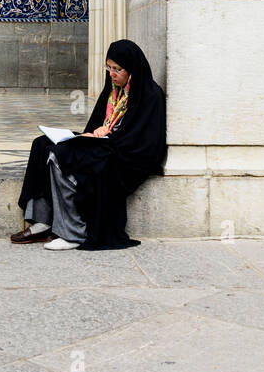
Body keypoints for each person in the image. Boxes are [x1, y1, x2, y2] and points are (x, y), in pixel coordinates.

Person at [11, 38, 167, 251]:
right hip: (105, 144)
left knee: (62, 155)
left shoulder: (149, 95)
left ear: (132, 69)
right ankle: (42, 220)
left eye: (117, 69)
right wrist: (90, 136)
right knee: (42, 144)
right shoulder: (113, 91)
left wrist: (109, 135)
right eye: (108, 67)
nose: (111, 74)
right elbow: (95, 125)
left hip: (128, 156)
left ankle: (72, 233)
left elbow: (144, 142)